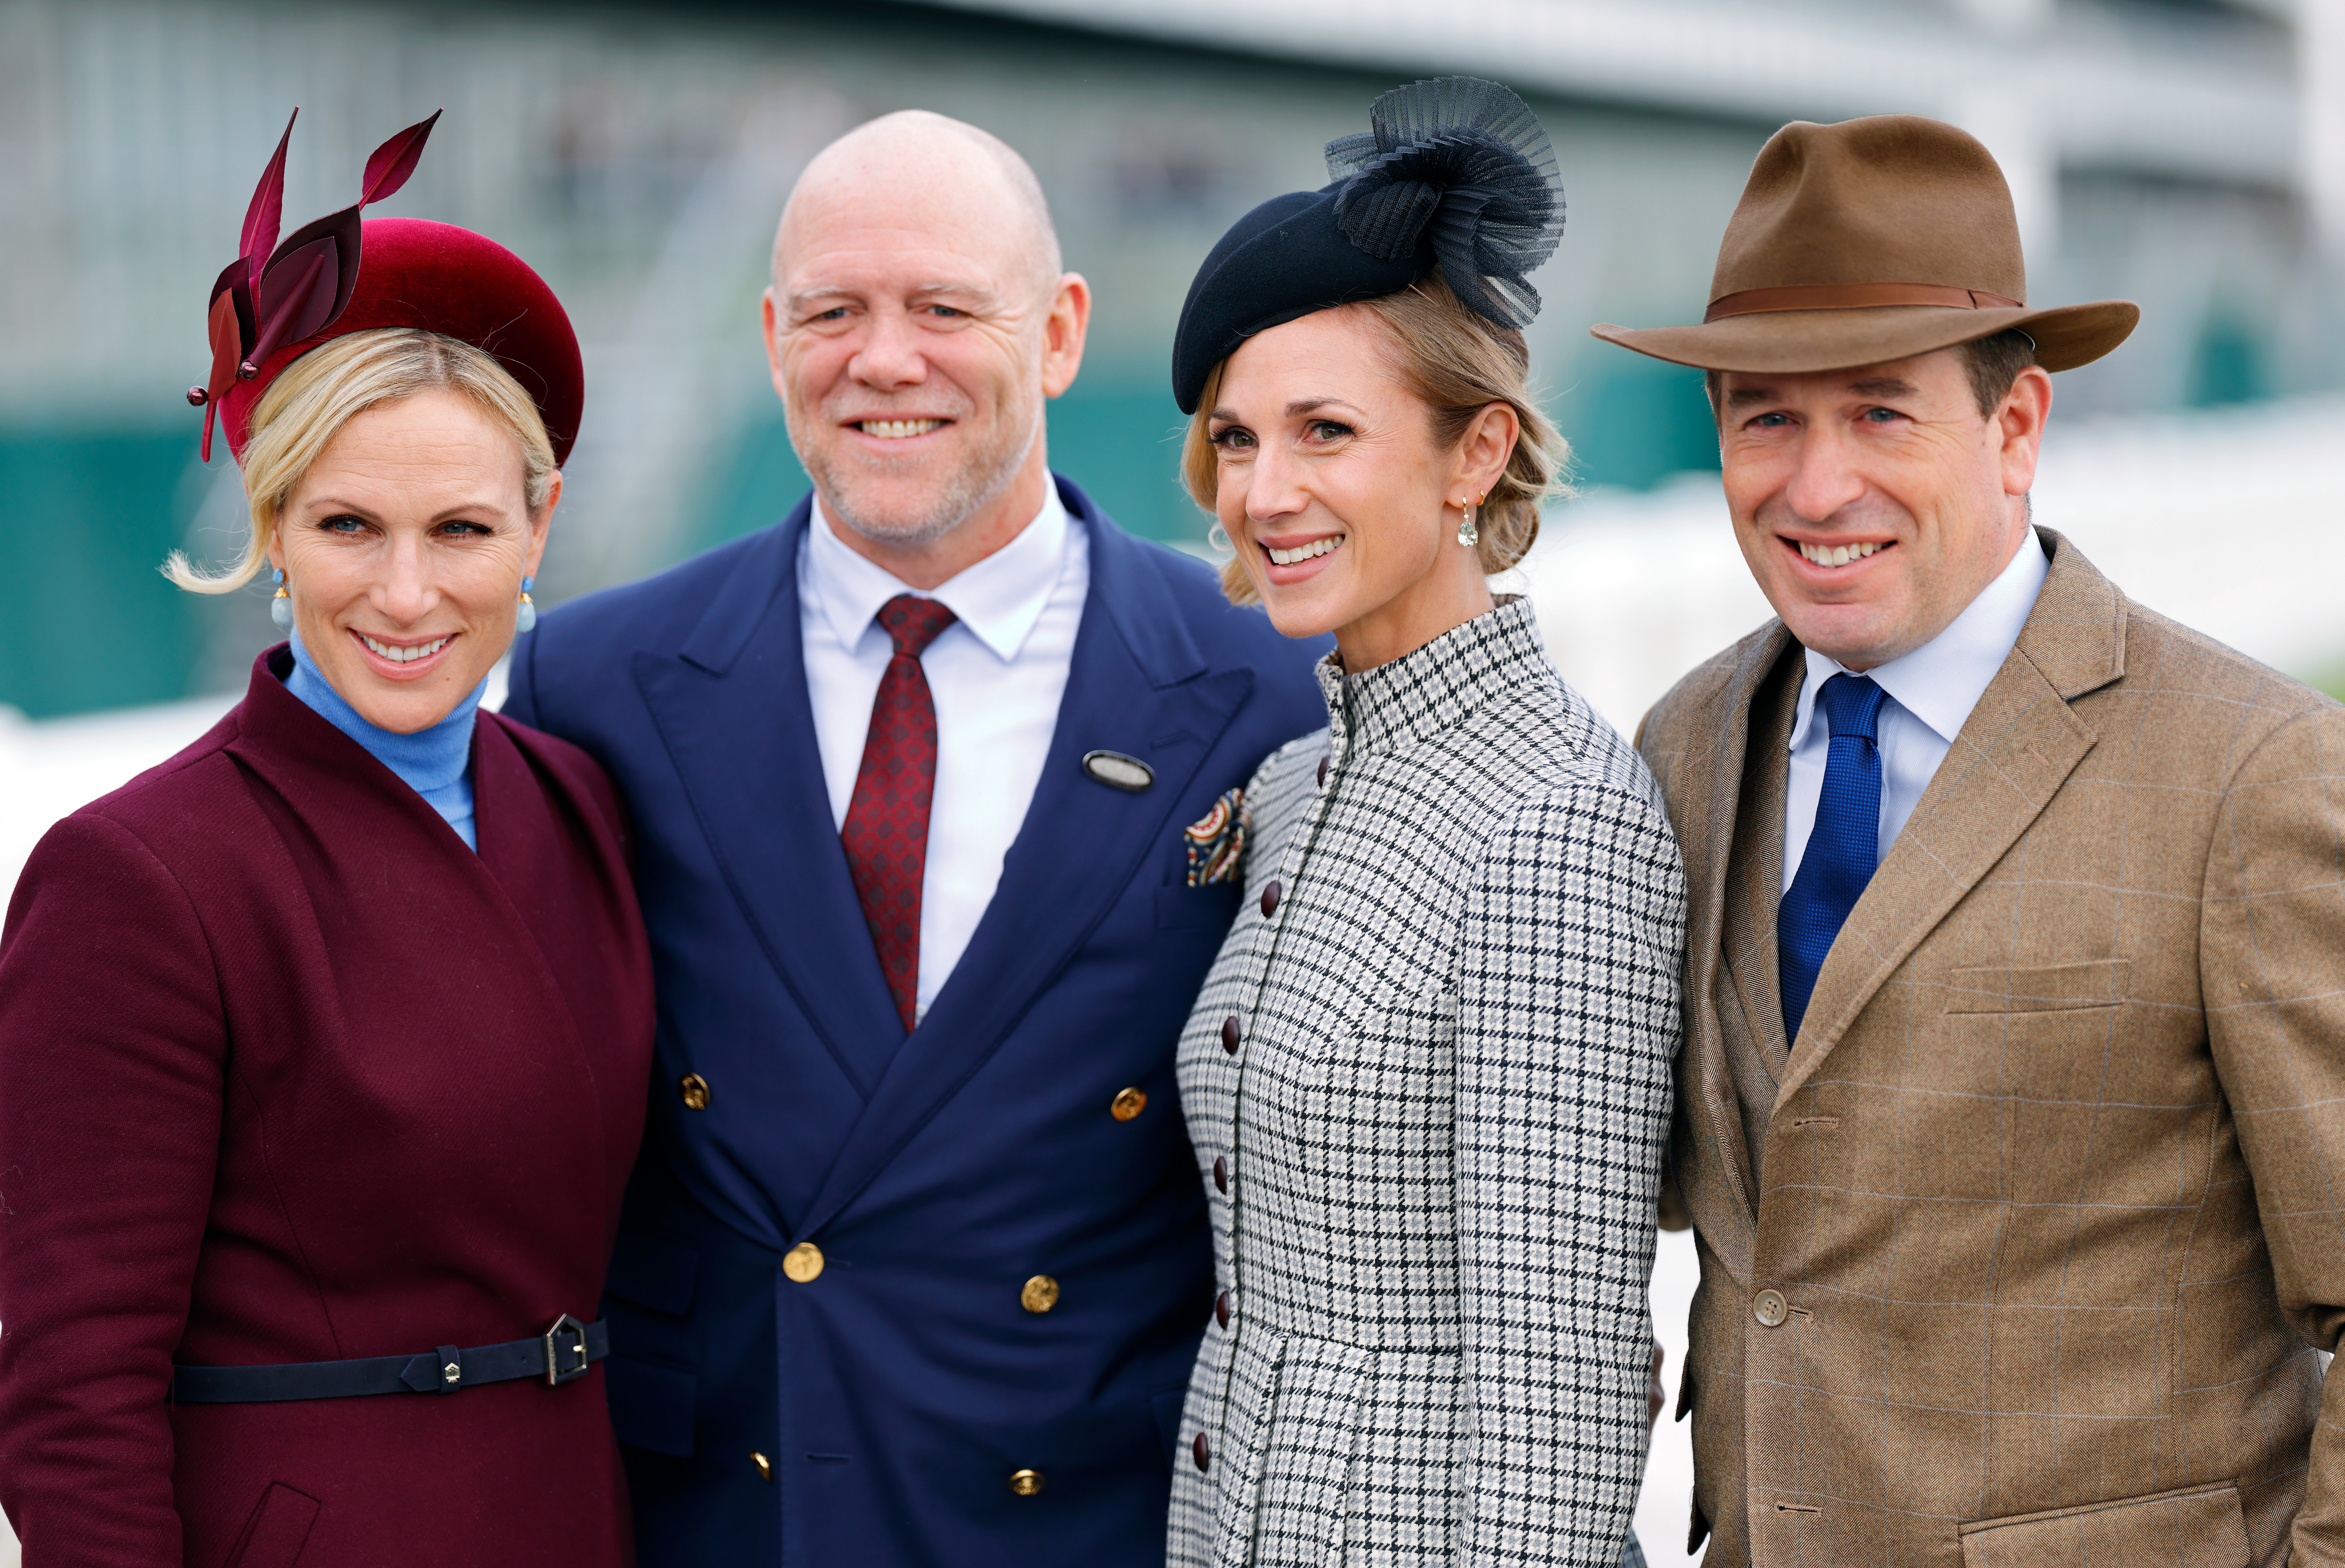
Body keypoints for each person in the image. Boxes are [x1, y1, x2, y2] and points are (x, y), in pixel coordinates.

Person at [503, 111, 1327, 1566]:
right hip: (733, 1512)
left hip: (1091, 1514)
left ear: (1062, 332)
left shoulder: (1263, 681)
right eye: (835, 313)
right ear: (773, 339)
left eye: (947, 308)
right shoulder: (592, 682)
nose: (886, 360)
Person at [1600, 115, 2345, 1566]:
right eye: (1767, 416)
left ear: (2016, 429)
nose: (1815, 489)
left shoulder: (2250, 772)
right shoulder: (1682, 746)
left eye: (1881, 411)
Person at [0, 114, 652, 1566]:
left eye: (464, 531)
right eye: (352, 524)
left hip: (575, 1519)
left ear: (540, 530)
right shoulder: (141, 872)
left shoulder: (576, 801)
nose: (408, 594)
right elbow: (69, 1393)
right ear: (274, 524)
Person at [1163, 78, 1683, 1567]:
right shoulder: (1295, 781)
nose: (1268, 491)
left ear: (1474, 454)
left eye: (1327, 430)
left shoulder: (1556, 818)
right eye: (1241, 438)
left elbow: (1560, 1390)